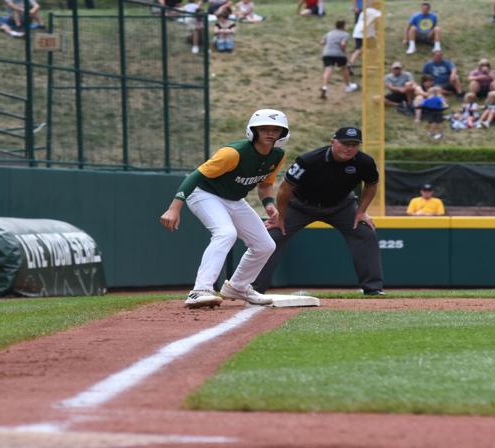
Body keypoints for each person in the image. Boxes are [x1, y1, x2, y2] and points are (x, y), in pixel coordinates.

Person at [157, 109, 287, 308]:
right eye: (264, 129)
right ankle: (200, 290)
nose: (270, 133)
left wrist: (269, 205)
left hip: (234, 199)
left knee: (265, 245)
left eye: (276, 130)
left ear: (282, 134)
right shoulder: (233, 153)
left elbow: (265, 185)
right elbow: (196, 175)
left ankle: (238, 287)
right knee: (225, 233)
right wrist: (174, 208)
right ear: (254, 130)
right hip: (204, 194)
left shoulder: (277, 155)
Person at [251, 125, 384, 297]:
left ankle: (373, 289)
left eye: (354, 144)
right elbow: (285, 188)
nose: (349, 148)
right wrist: (281, 216)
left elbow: (371, 185)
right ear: (333, 142)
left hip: (341, 206)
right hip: (301, 206)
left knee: (365, 233)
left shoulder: (364, 162)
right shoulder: (309, 160)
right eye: (345, 143)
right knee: (273, 235)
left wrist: (361, 212)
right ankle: (253, 289)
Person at [319, 19, 355, 98]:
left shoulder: (329, 33)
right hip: (339, 54)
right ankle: (348, 86)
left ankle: (324, 87)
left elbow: (322, 42)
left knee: (327, 71)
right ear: (343, 26)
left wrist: (327, 49)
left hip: (327, 54)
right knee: (344, 69)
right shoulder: (345, 34)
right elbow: (343, 44)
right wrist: (344, 52)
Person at [346, 2, 377, 68]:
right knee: (364, 48)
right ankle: (371, 63)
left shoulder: (364, 12)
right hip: (363, 33)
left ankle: (351, 63)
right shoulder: (373, 12)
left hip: (358, 32)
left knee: (359, 49)